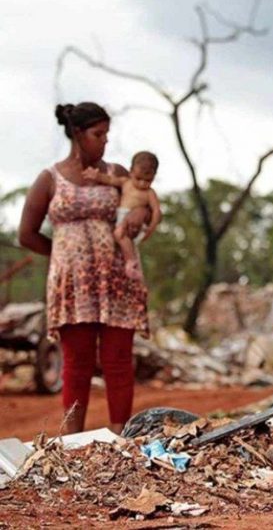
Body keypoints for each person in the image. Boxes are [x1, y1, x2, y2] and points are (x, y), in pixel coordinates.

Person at [18, 102, 149, 435]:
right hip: (73, 285)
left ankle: (121, 438)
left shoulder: (117, 173)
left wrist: (138, 215)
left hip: (117, 280)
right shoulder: (49, 179)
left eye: (107, 134)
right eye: (98, 134)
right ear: (77, 134)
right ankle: (72, 443)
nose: (105, 141)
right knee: (77, 364)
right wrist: (63, 256)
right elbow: (27, 234)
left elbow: (143, 202)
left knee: (118, 360)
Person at [83, 150, 162, 280]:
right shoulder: (126, 182)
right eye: (138, 178)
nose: (142, 184)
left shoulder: (149, 193)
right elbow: (109, 179)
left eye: (148, 180)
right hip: (122, 216)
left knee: (119, 234)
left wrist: (150, 228)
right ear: (131, 172)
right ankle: (130, 260)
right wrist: (96, 176)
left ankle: (131, 262)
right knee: (120, 236)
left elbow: (156, 211)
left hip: (134, 222)